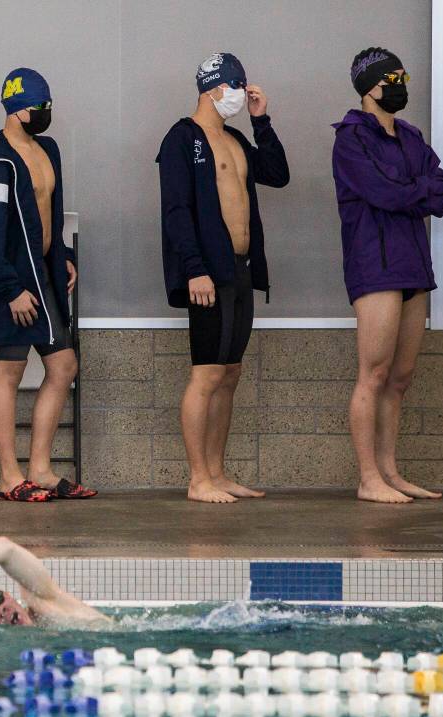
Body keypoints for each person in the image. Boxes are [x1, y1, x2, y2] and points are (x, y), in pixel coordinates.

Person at [0, 68, 95, 503]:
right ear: (16, 111)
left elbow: (45, 215)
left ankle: (41, 469)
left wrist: (63, 257)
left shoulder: (46, 149)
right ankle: (9, 477)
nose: (46, 116)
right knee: (9, 371)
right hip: (11, 285)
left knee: (63, 366)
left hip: (42, 275)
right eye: (39, 109)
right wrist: (9, 289)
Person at [157, 53, 289, 504]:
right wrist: (194, 268)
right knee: (207, 373)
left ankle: (217, 471)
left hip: (241, 268)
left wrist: (261, 120)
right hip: (207, 272)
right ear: (214, 88)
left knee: (230, 372)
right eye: (238, 87)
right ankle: (198, 479)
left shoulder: (234, 138)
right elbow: (175, 210)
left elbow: (277, 174)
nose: (241, 94)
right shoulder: (182, 139)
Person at [332, 48, 443, 504]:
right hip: (374, 263)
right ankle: (368, 479)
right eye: (391, 80)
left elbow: (442, 189)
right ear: (369, 87)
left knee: (400, 376)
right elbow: (381, 193)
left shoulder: (411, 135)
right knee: (374, 372)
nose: (399, 87)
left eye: (403, 77)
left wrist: (408, 193)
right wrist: (411, 193)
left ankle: (390, 471)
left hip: (413, 264)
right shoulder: (350, 138)